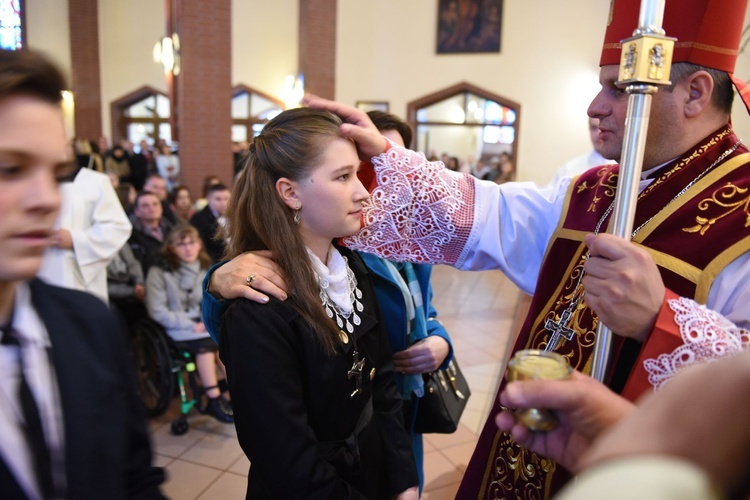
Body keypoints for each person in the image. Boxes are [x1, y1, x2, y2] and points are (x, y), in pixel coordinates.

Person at [294, 0, 750, 496]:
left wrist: (659, 320)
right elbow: (491, 217)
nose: (595, 107)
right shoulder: (595, 187)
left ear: (695, 93)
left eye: (619, 89)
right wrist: (383, 163)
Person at [203, 110, 453, 492]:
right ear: (290, 192)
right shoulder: (259, 305)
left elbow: (382, 386)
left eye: (357, 173)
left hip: (370, 466)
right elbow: (286, 458)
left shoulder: (351, 268)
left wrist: (403, 480)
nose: (364, 192)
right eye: (343, 176)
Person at [0, 48, 164, 499]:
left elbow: (134, 478)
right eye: (10, 168)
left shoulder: (92, 326)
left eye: (55, 173)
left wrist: (75, 240)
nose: (46, 201)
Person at [145, 224, 233, 423]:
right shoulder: (158, 272)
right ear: (171, 248)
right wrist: (192, 323)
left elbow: (210, 300)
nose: (187, 248)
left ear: (199, 244)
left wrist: (203, 320)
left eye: (191, 243)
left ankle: (239, 393)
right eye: (181, 244)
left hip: (201, 324)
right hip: (176, 326)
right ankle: (213, 399)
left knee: (225, 341)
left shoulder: (204, 266)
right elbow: (157, 310)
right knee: (207, 347)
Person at [37, 148, 133, 304]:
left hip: (80, 275)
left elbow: (117, 227)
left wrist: (75, 240)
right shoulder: (28, 183)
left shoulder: (94, 182)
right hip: (41, 272)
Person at [548, 117, 616, 186]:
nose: (599, 133)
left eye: (603, 128)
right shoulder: (568, 170)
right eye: (594, 128)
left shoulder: (624, 168)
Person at [128, 190, 174, 275]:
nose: (152, 208)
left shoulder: (173, 231)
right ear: (136, 211)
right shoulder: (130, 236)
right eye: (145, 206)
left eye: (155, 204)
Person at [189, 183, 230, 263]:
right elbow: (202, 249)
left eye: (226, 199)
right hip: (214, 263)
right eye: (218, 199)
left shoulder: (234, 216)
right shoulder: (198, 219)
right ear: (208, 199)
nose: (223, 203)